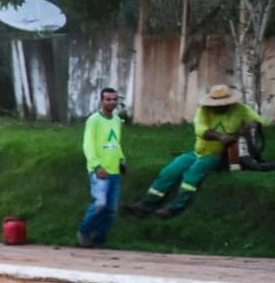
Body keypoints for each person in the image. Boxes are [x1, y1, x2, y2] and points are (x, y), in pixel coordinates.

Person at [127, 84, 264, 219]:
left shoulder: (241, 109)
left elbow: (260, 122)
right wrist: (220, 136)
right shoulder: (203, 110)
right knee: (169, 171)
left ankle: (174, 208)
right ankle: (145, 206)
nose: (218, 107)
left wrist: (254, 125)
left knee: (191, 175)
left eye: (222, 104)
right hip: (198, 151)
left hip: (220, 155)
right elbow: (200, 129)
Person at [77, 87, 125, 248]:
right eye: (108, 99)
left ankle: (99, 239)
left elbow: (116, 143)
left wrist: (122, 159)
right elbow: (88, 145)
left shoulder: (117, 120)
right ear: (101, 101)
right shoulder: (94, 120)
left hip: (114, 170)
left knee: (111, 210)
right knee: (100, 204)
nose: (112, 102)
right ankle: (84, 231)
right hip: (99, 171)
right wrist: (97, 166)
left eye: (114, 99)